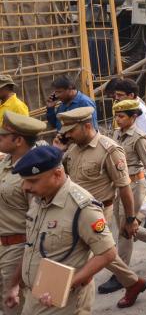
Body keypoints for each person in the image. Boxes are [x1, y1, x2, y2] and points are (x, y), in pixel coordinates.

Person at [5, 146, 117, 314]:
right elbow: (32, 246)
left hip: (63, 303)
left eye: (32, 181)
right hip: (35, 296)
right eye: (24, 180)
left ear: (57, 174)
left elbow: (107, 253)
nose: (25, 187)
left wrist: (66, 284)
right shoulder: (40, 200)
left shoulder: (82, 207)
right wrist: (15, 284)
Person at [57, 107, 146, 307]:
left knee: (87, 256)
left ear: (87, 126)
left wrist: (130, 219)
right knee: (102, 252)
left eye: (71, 130)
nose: (67, 135)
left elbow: (124, 187)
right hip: (74, 211)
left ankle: (76, 301)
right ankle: (133, 282)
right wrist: (57, 150)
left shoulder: (109, 149)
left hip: (98, 211)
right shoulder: (72, 148)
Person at [110, 100, 146, 269]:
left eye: (122, 116)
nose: (118, 120)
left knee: (125, 230)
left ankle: (122, 273)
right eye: (116, 116)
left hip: (134, 185)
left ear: (133, 117)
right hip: (118, 186)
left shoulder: (138, 138)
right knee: (123, 226)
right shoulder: (115, 134)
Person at [0, 112, 46, 314]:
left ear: (18, 140)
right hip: (4, 243)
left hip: (18, 247)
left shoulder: (33, 173)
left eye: (3, 136)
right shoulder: (6, 163)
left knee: (14, 304)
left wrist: (24, 263)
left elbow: (37, 221)